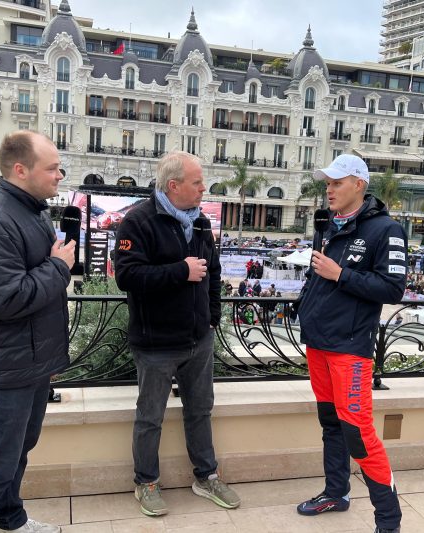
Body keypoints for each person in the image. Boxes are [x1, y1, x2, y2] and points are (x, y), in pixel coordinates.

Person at [0, 131, 75, 533]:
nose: (60, 175)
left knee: (17, 452)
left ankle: (10, 519)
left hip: (29, 363)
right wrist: (59, 267)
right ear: (21, 170)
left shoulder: (30, 210)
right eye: (52, 168)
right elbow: (5, 299)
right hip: (5, 368)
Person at [114, 151, 240, 518]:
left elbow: (212, 272)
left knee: (200, 411)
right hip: (155, 343)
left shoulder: (200, 222)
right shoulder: (138, 221)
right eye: (197, 182)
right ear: (174, 185)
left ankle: (206, 476)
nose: (204, 188)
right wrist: (180, 271)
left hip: (199, 339)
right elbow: (126, 276)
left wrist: (212, 318)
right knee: (149, 417)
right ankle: (146, 482)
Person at [296, 154, 405, 533]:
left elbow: (393, 288)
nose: (329, 189)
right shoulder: (326, 225)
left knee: (358, 432)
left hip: (351, 348)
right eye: (327, 183)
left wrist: (340, 274)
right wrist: (306, 305)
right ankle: (336, 493)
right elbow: (317, 277)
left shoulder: (387, 229)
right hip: (318, 342)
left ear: (359, 184)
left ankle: (388, 522)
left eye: (337, 183)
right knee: (331, 423)